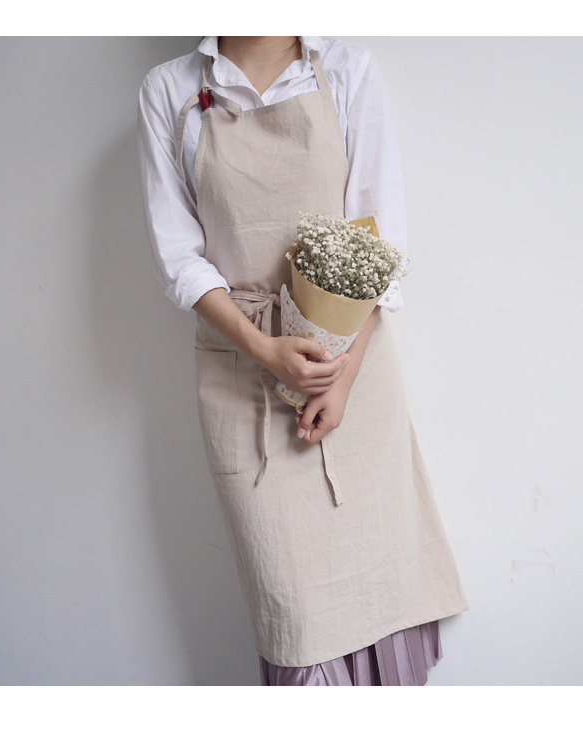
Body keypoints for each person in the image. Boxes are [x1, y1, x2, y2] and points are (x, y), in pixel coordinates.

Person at [137, 35, 469, 686]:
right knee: (293, 617)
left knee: (382, 593)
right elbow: (177, 257)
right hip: (242, 377)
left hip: (355, 377)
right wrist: (264, 350)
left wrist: (342, 376)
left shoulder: (347, 71)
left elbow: (380, 235)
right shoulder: (169, 90)